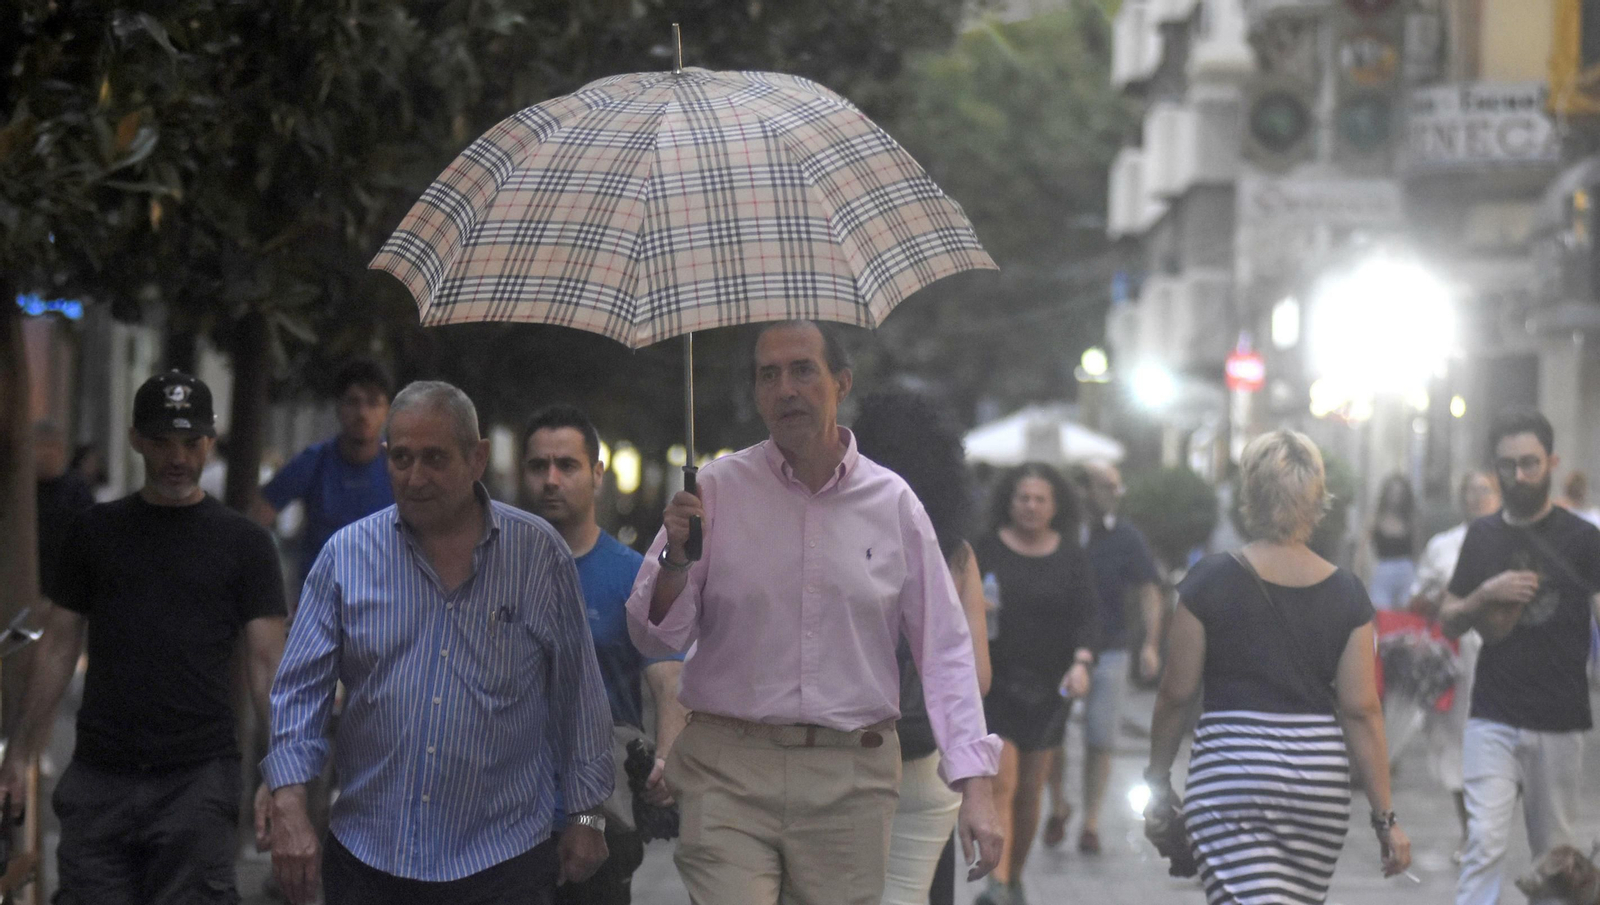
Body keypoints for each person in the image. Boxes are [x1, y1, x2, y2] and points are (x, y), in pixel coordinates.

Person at [626, 320, 1003, 905]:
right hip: (728, 770)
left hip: (849, 779)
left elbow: (947, 652)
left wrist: (976, 784)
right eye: (768, 375)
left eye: (803, 370)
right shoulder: (715, 491)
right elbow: (655, 635)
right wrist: (674, 558)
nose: (785, 389)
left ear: (841, 382)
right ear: (755, 394)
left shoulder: (894, 503)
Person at [261, 381, 614, 905]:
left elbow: (579, 699)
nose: (415, 477)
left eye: (434, 458)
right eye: (401, 458)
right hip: (371, 856)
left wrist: (587, 816)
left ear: (477, 458)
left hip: (503, 858)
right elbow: (298, 693)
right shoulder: (347, 557)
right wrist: (288, 802)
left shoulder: (537, 555)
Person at [0, 370, 289, 904]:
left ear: (210, 440)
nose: (177, 456)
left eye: (191, 441)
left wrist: (282, 774)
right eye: (161, 440)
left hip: (197, 779)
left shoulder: (245, 544)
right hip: (100, 776)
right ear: (135, 439)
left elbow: (267, 667)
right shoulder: (94, 532)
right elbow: (60, 646)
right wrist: (19, 751)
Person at [1145, 430, 1411, 904]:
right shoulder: (1348, 593)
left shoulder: (1207, 581)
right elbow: (1362, 711)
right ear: (1317, 500)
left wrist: (1158, 780)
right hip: (1317, 783)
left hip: (1232, 773)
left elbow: (1176, 694)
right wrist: (1385, 818)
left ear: (1249, 494)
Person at [519, 403, 689, 905]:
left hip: (601, 814)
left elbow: (667, 676)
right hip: (507, 817)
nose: (551, 479)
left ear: (596, 473)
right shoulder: (499, 570)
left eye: (566, 465)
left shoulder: (635, 576)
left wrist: (667, 755)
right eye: (538, 466)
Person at [1440, 409, 1600, 905]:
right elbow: (1449, 618)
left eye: (1530, 463)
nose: (1519, 475)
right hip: (1493, 713)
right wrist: (1481, 595)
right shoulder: (1482, 536)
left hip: (1560, 717)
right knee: (1483, 843)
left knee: (1554, 860)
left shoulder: (1582, 540)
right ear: (1495, 468)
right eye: (1508, 465)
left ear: (1551, 462)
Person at [852, 389, 993, 905]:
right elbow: (976, 676)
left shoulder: (842, 537)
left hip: (843, 761)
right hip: (924, 760)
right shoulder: (956, 553)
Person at [973, 462, 1099, 905]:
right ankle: (998, 883)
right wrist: (976, 610)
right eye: (1022, 497)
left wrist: (1082, 663)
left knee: (1031, 789)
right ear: (1008, 501)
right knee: (1002, 781)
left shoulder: (1071, 556)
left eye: (1039, 499)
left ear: (1055, 506)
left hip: (1049, 688)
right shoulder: (985, 550)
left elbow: (1088, 618)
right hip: (996, 683)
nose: (1029, 505)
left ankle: (1015, 878)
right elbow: (957, 604)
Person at [1043, 461, 1162, 856]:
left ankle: (1090, 820)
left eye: (1116, 486)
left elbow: (1150, 589)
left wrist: (1150, 644)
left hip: (1111, 649)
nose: (1114, 493)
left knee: (1100, 737)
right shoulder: (1061, 532)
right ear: (1083, 489)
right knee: (1051, 735)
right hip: (1060, 647)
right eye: (1105, 485)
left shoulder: (1126, 537)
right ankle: (1059, 804)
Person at [1407, 469, 1500, 858]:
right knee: (1455, 744)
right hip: (1453, 657)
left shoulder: (1508, 541)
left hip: (1498, 655)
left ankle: (1488, 830)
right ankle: (1470, 831)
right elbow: (1416, 600)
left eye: (1485, 490)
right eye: (1471, 490)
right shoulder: (1442, 546)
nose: (1477, 498)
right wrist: (1440, 596)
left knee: (1495, 744)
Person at [251, 358, 395, 591]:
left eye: (373, 403)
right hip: (320, 600)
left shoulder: (398, 466)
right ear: (338, 406)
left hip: (383, 602)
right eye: (353, 402)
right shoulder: (314, 461)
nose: (362, 413)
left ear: (387, 410)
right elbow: (256, 520)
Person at [33, 419, 96, 604]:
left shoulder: (76, 490)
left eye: (49, 446)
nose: (44, 453)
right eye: (38, 446)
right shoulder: (23, 490)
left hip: (64, 590)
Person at [1364, 473, 1419, 610]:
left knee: (1406, 612)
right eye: (1393, 492)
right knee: (1380, 610)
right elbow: (1363, 548)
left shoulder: (1411, 520)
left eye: (1400, 493)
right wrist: (1363, 575)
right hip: (1383, 569)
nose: (1396, 496)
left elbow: (1417, 550)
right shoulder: (1376, 518)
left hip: (1406, 570)